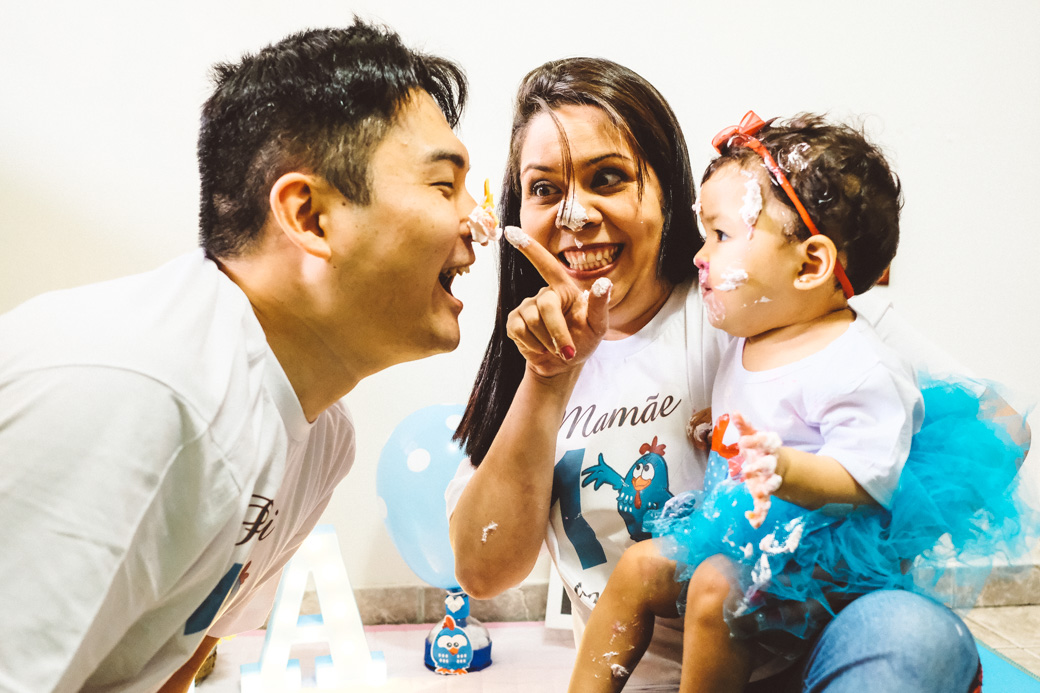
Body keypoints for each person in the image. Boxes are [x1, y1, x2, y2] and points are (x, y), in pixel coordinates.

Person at [447, 58, 987, 691]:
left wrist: (836, 533)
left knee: (914, 632)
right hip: (648, 678)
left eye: (608, 178)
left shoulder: (756, 301)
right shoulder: (527, 353)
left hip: (807, 664)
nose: (574, 215)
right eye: (543, 189)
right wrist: (547, 378)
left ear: (666, 189)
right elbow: (483, 572)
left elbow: (994, 427)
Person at [0, 19, 480, 693]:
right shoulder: (141, 391)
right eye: (444, 185)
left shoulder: (322, 437)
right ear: (309, 216)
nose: (478, 221)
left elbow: (178, 657)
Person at [564, 112, 1034, 692]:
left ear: (811, 265)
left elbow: (866, 479)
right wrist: (721, 426)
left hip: (815, 545)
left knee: (714, 587)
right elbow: (771, 410)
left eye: (721, 236)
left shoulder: (860, 365)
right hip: (741, 523)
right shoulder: (751, 336)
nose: (700, 256)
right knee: (638, 566)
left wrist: (784, 467)